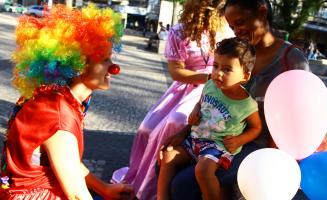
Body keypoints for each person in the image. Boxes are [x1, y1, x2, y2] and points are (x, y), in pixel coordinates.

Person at [163, 0, 326, 199]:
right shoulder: (237, 53)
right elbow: (212, 102)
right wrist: (185, 131)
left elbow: (299, 119)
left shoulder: (292, 60)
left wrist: (272, 164)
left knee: (183, 185)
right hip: (218, 137)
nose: (236, 31)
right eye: (231, 26)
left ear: (262, 12)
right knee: (164, 161)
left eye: (240, 22)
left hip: (259, 146)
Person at [0, 4, 133, 199]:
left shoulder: (57, 97)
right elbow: (77, 195)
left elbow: (67, 160)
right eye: (105, 60)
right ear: (79, 65)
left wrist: (104, 188)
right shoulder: (58, 115)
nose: (114, 68)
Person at [122, 0, 232, 199]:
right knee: (147, 127)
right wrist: (207, 77)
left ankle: (156, 189)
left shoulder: (227, 31)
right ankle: (143, 180)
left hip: (215, 90)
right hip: (186, 88)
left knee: (176, 122)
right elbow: (176, 71)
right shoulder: (180, 31)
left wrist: (218, 80)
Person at [157, 38, 261, 200]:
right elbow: (202, 101)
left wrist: (240, 140)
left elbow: (256, 128)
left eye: (227, 69)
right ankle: (161, 197)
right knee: (168, 156)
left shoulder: (247, 105)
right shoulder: (211, 85)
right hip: (195, 139)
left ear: (245, 76)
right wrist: (196, 110)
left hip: (218, 146)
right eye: (216, 66)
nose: (218, 73)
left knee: (203, 171)